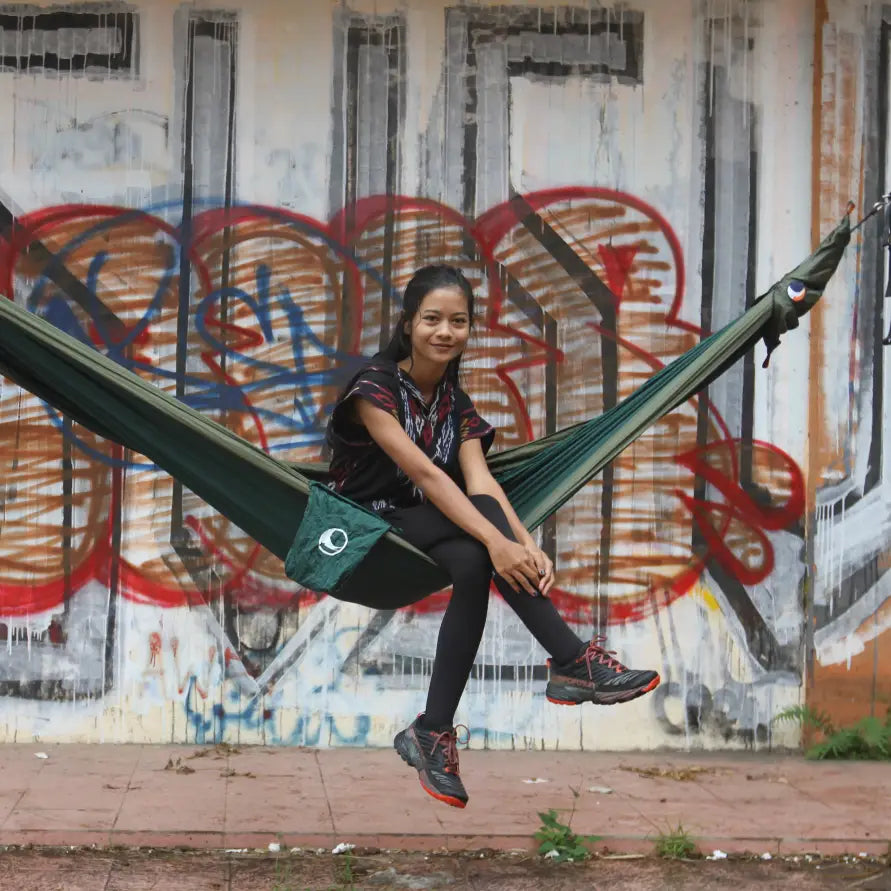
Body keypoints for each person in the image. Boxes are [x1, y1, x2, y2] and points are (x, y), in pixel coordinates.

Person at [326, 264, 660, 808]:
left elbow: (480, 481)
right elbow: (428, 476)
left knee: (474, 562)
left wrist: (524, 543)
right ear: (408, 323)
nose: (445, 331)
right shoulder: (373, 388)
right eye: (432, 319)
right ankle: (572, 661)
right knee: (485, 546)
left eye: (458, 321)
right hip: (362, 527)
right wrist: (500, 542)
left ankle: (431, 730)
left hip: (423, 523)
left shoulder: (455, 403)